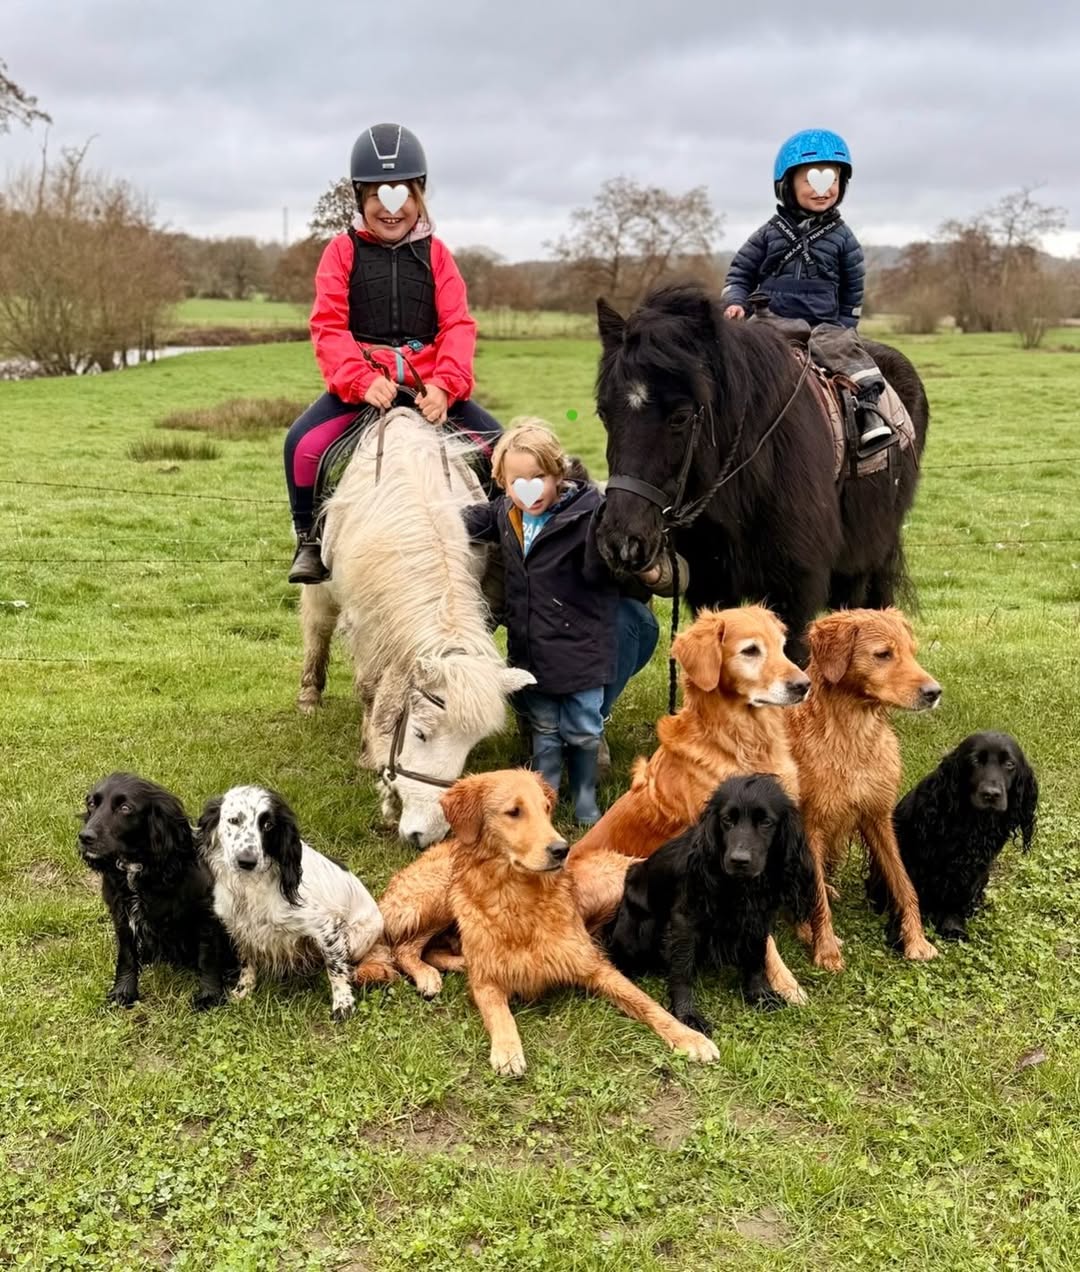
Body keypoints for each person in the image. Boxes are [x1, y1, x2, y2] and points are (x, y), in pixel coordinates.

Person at [284, 123, 502, 584]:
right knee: (301, 446)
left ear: (418, 195)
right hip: (365, 389)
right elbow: (328, 326)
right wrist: (362, 380)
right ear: (361, 198)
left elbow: (458, 324)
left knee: (501, 449)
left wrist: (445, 384)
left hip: (430, 389)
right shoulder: (341, 253)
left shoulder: (438, 255)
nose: (391, 208)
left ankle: (502, 541)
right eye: (379, 196)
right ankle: (309, 539)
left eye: (402, 194)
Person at [462, 420, 680, 826]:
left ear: (558, 475)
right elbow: (464, 521)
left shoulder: (590, 518)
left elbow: (651, 570)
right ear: (502, 482)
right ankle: (543, 803)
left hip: (582, 655)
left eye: (539, 478)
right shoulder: (504, 515)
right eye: (517, 481)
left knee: (582, 731)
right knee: (544, 733)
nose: (530, 490)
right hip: (533, 657)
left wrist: (642, 562)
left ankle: (584, 797)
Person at [721, 128, 895, 458]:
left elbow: (853, 288)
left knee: (848, 354)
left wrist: (846, 325)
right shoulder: (768, 234)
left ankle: (867, 414)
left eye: (832, 180)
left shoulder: (844, 239)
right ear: (787, 184)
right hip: (770, 321)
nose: (823, 189)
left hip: (822, 325)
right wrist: (734, 302)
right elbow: (740, 272)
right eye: (811, 180)